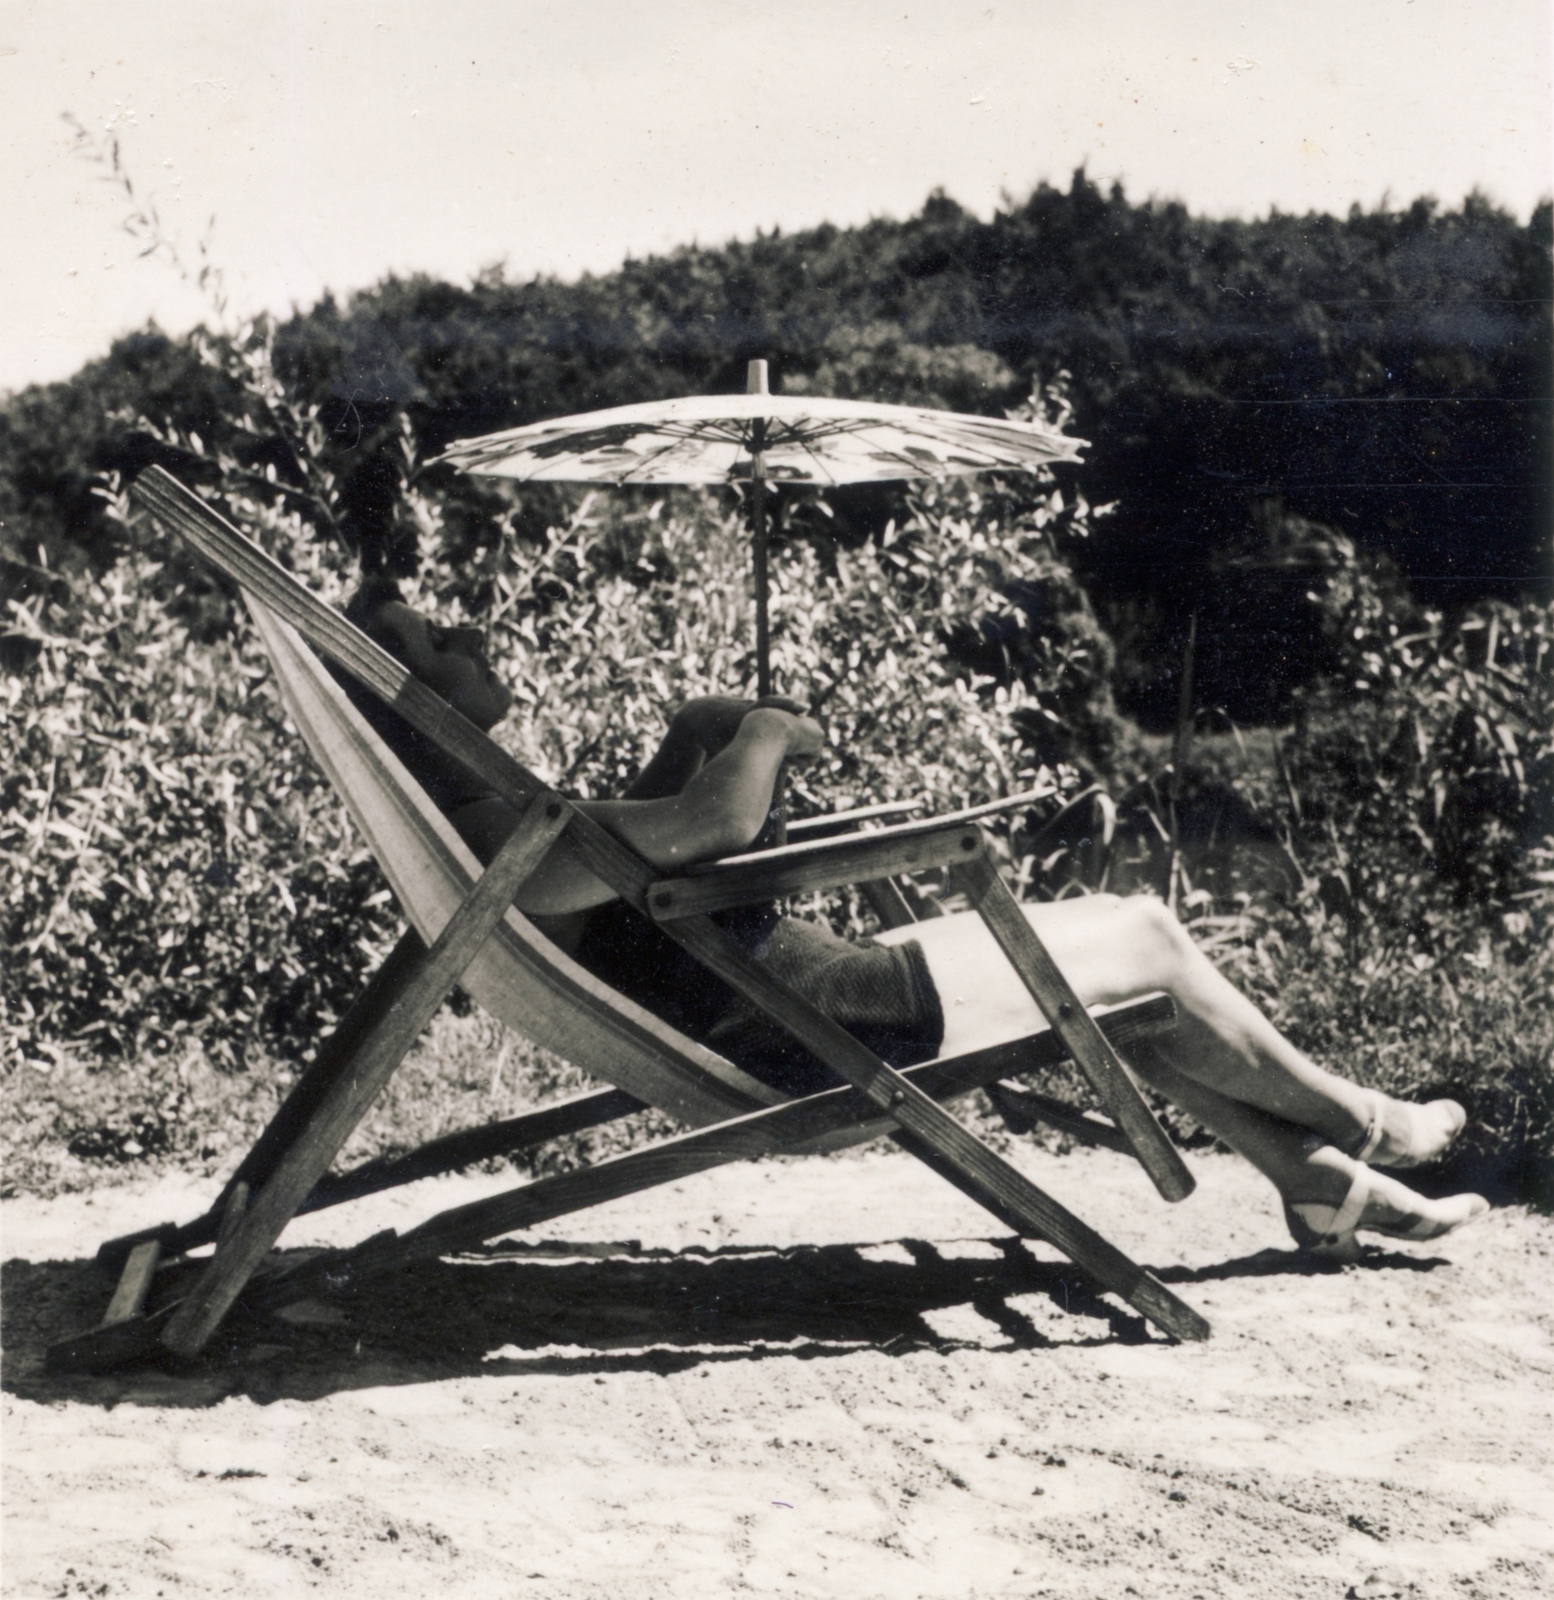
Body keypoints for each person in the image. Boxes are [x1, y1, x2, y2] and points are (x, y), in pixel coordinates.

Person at [340, 578, 1489, 1260]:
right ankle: (1366, 1120)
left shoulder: (495, 822)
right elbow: (718, 820)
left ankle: (1320, 1184)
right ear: (410, 696)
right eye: (436, 640)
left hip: (810, 999)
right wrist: (764, 738)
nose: (470, 634)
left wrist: (700, 723)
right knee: (1143, 932)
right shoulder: (498, 836)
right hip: (827, 1027)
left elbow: (643, 846)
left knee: (1127, 987)